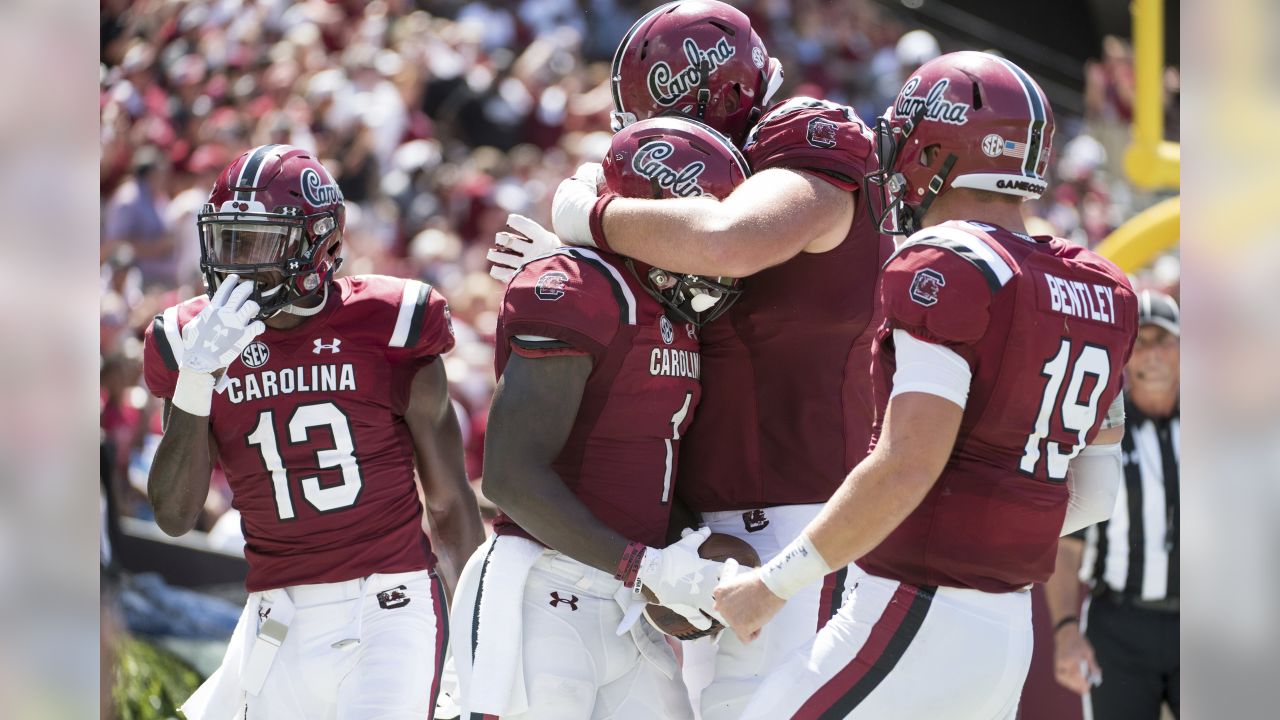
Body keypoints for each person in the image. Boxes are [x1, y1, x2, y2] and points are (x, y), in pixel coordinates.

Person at [712, 51, 1139, 719]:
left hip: (919, 609)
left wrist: (773, 584)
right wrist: (995, 521)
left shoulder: (947, 264)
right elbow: (1097, 492)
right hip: (1005, 635)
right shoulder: (1101, 286)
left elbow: (907, 464)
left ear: (934, 144)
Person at [527, 3, 893, 716]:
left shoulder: (804, 138)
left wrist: (589, 219)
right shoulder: (677, 212)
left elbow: (729, 241)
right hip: (699, 543)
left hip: (813, 522)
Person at [143, 144, 485, 720]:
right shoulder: (191, 342)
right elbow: (174, 517)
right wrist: (197, 379)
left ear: (319, 243)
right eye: (230, 240)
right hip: (274, 619)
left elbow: (449, 506)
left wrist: (478, 646)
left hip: (391, 606)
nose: (238, 265)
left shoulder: (391, 321)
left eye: (259, 244)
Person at [452, 117, 749, 720]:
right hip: (541, 587)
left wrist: (686, 559)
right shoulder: (577, 287)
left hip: (624, 599)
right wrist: (649, 566)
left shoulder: (670, 309)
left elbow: (643, 460)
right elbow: (509, 476)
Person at [1046, 289, 1180, 719]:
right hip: (1120, 624)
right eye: (1141, 343)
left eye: (1164, 340)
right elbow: (1066, 546)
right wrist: (1066, 630)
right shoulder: (1101, 432)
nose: (1152, 355)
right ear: (1123, 355)